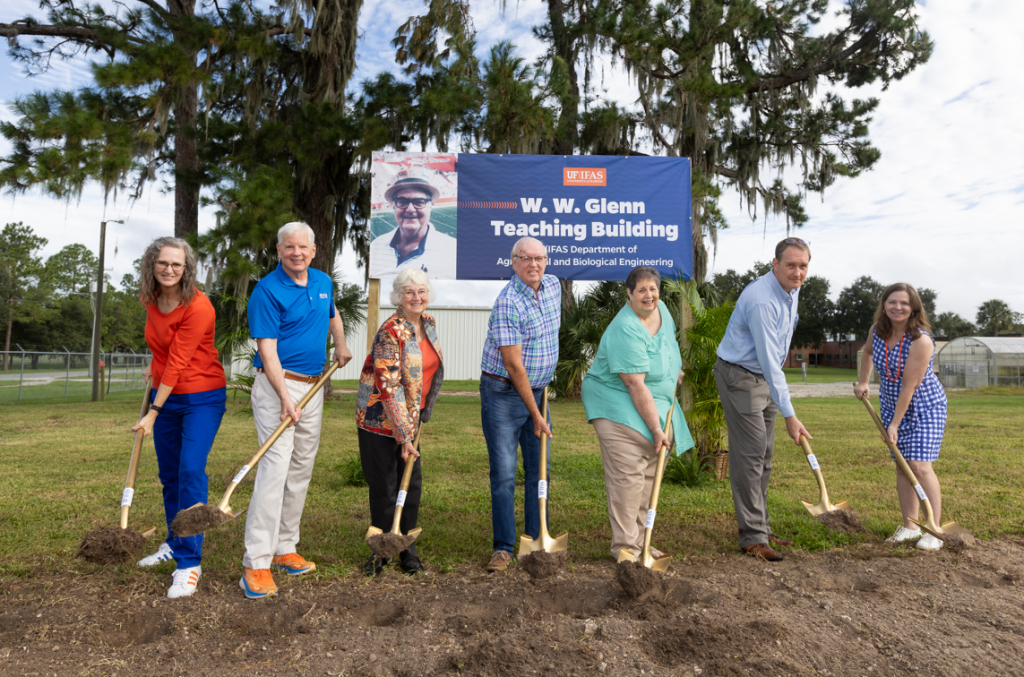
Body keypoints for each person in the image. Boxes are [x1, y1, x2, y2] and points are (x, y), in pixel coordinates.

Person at [240, 222, 353, 599]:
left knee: (301, 467)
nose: (296, 253)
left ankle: (284, 547)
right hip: (279, 387)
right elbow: (267, 350)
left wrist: (340, 343)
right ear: (278, 250)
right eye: (289, 247)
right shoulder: (267, 291)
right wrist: (284, 397)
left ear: (314, 250)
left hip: (313, 384)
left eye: (303, 247)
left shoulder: (321, 281)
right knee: (274, 469)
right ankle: (255, 563)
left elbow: (332, 313)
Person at [133, 237, 227, 599]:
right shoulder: (151, 299)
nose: (169, 270)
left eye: (177, 264)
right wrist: (151, 369)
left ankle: (189, 563)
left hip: (201, 396)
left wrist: (153, 412)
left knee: (190, 471)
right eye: (163, 263)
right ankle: (173, 542)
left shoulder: (199, 305)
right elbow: (162, 349)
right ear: (151, 265)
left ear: (187, 269)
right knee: (169, 475)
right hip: (166, 393)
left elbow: (180, 359)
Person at [581, 267, 695, 560]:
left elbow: (667, 345)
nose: (649, 295)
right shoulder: (625, 328)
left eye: (653, 289)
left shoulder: (662, 311)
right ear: (629, 294)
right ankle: (626, 549)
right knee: (628, 479)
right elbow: (634, 382)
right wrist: (656, 429)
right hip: (616, 403)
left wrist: (673, 369)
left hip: (654, 400)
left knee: (649, 478)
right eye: (642, 290)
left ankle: (642, 541)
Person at [715, 238, 812, 562]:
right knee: (751, 453)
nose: (797, 272)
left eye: (803, 266)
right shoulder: (761, 300)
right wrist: (790, 414)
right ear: (775, 264)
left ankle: (761, 526)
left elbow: (778, 352)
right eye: (790, 265)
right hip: (740, 375)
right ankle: (752, 538)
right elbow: (772, 362)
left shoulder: (791, 291)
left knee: (765, 454)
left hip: (764, 377)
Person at [479, 236, 560, 572]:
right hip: (503, 393)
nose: (534, 264)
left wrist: (541, 401)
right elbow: (514, 367)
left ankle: (534, 538)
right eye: (525, 258)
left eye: (539, 258)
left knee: (540, 469)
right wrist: (537, 414)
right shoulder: (508, 303)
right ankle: (503, 548)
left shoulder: (553, 286)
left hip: (539, 391)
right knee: (505, 473)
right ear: (513, 263)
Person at [356, 270, 444, 576]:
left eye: (421, 291)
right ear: (398, 297)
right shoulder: (389, 332)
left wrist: (417, 419)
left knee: (412, 485)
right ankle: (379, 550)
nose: (416, 297)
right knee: (385, 486)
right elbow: (389, 387)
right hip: (380, 419)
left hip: (411, 417)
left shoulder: (428, 324)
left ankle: (407, 548)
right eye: (409, 292)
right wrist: (405, 438)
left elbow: (425, 373)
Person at [854, 283, 947, 550]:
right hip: (891, 404)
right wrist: (863, 382)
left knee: (919, 465)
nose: (898, 307)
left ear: (914, 308)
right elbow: (868, 353)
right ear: (884, 305)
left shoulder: (921, 340)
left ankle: (934, 528)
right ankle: (910, 526)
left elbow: (909, 385)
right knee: (902, 465)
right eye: (892, 302)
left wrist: (894, 424)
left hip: (923, 407)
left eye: (904, 303)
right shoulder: (878, 332)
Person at [368, 166, 457, 279]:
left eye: (419, 202)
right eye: (402, 201)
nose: (410, 209)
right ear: (394, 206)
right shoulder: (376, 246)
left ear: (430, 206)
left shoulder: (454, 252)